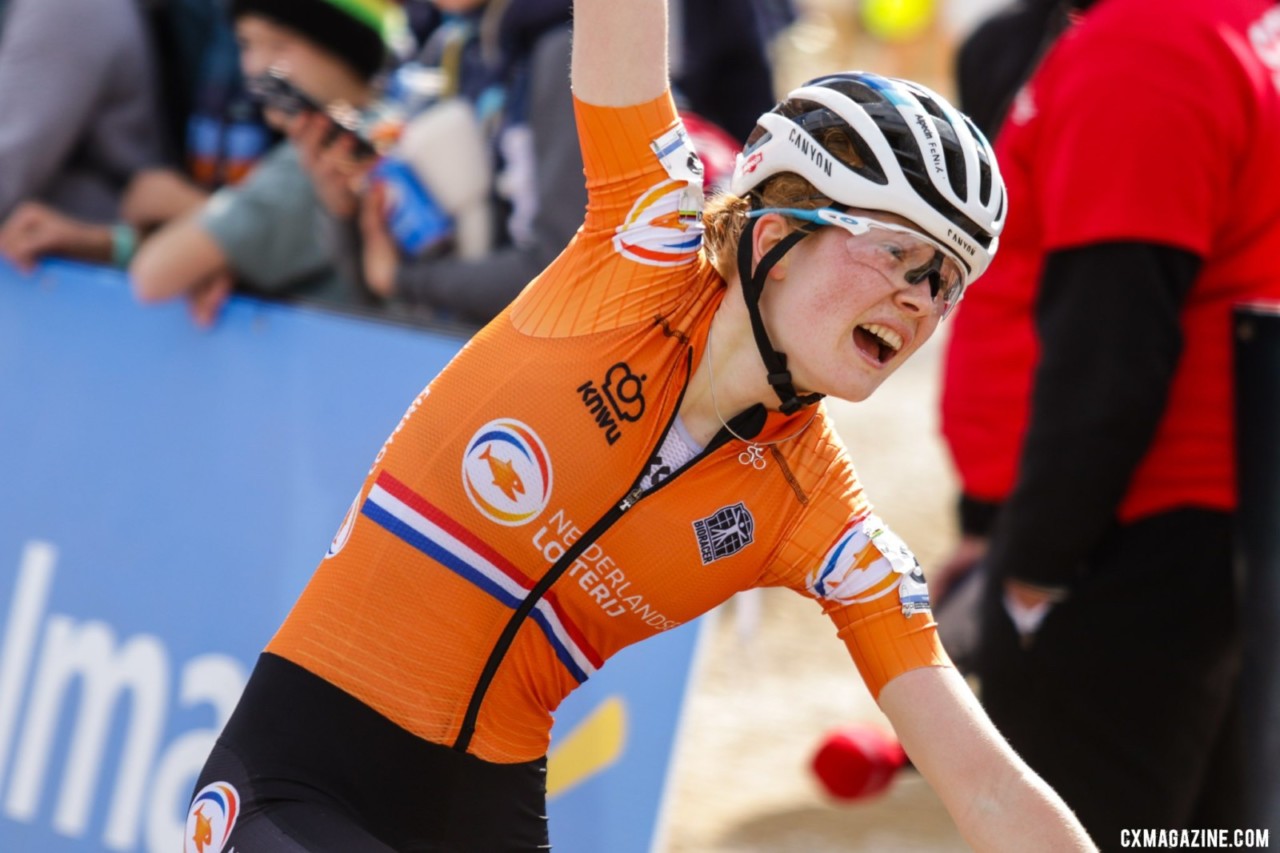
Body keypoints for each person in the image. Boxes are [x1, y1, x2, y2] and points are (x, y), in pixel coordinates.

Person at [183, 0, 1097, 848]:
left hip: (483, 816)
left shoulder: (818, 514)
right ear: (779, 231)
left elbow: (984, 786)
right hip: (300, 772)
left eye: (945, 280)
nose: (921, 301)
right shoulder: (641, 239)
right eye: (900, 254)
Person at [937, 0, 1280, 841]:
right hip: (1218, 537)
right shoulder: (1231, 29)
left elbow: (1111, 351)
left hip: (1137, 547)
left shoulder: (1152, 45)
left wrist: (1035, 569)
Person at [127, 0, 403, 326]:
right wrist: (229, 259)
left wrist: (182, 203)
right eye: (245, 43)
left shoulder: (326, 155)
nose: (258, 66)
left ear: (342, 49)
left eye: (281, 44)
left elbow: (153, 275)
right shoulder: (383, 129)